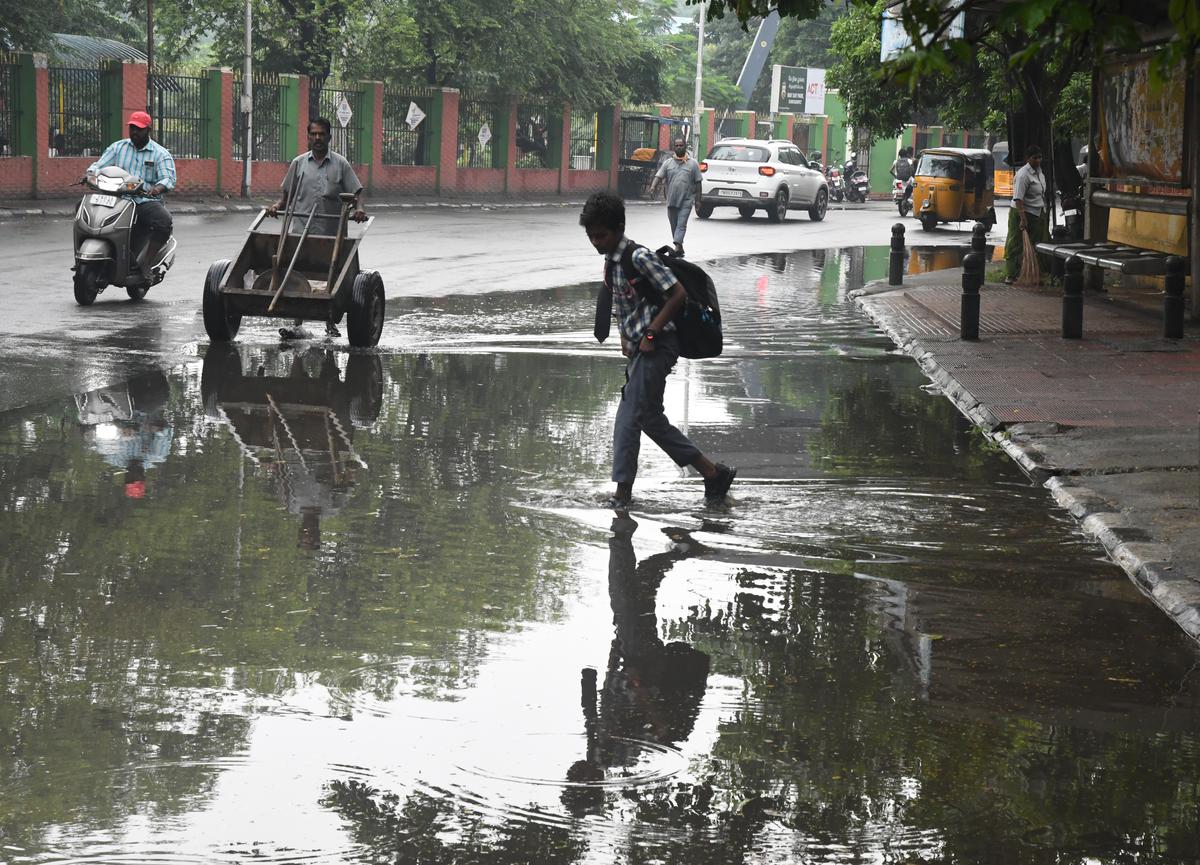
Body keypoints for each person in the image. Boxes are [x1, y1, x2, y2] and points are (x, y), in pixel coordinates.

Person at [581, 191, 736, 509]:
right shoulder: (611, 263)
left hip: (658, 346)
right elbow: (626, 304)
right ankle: (712, 473)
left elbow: (676, 295)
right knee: (649, 418)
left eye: (602, 235)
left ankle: (622, 496)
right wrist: (626, 337)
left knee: (628, 420)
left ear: (619, 228)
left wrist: (650, 332)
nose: (596, 242)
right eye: (592, 236)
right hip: (641, 349)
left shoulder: (638, 257)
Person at [268, 117, 367, 337]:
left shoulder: (341, 164)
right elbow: (286, 194)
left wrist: (359, 209)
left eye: (322, 134)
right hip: (301, 228)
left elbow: (358, 192)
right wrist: (277, 206)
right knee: (297, 274)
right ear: (308, 137)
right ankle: (297, 322)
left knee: (332, 275)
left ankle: (330, 321)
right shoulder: (299, 163)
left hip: (332, 233)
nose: (317, 138)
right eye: (313, 134)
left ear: (329, 137)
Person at [86, 110, 176, 274]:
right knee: (83, 207)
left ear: (149, 130)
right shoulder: (118, 147)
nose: (134, 132)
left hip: (143, 201)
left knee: (164, 222)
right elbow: (99, 166)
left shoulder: (160, 154)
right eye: (132, 128)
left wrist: (157, 188)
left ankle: (146, 263)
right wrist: (91, 175)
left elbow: (168, 178)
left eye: (139, 129)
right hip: (116, 198)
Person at [649, 137, 702, 257]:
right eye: (677, 146)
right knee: (674, 224)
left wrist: (698, 200)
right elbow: (659, 176)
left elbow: (698, 182)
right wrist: (653, 187)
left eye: (681, 145)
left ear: (685, 146)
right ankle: (680, 246)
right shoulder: (668, 163)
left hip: (686, 201)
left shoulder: (693, 164)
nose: (679, 147)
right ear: (674, 147)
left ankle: (677, 245)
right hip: (671, 200)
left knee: (681, 224)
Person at [1005, 145, 1048, 284]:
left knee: (1037, 243)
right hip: (1021, 212)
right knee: (1015, 244)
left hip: (1037, 212)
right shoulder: (1023, 174)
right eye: (1034, 158)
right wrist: (1023, 219)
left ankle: (1033, 273)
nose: (1038, 160)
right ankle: (1011, 274)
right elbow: (1018, 198)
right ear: (1027, 159)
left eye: (1039, 157)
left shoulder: (1040, 172)